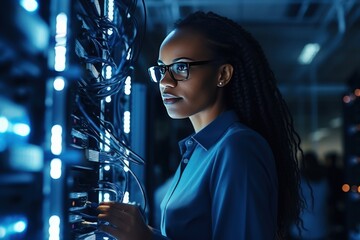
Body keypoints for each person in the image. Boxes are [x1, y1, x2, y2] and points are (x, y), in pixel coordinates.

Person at [97, 11, 305, 240]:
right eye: (162, 69)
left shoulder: (238, 148)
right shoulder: (197, 150)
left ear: (223, 74)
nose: (165, 82)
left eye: (180, 67)